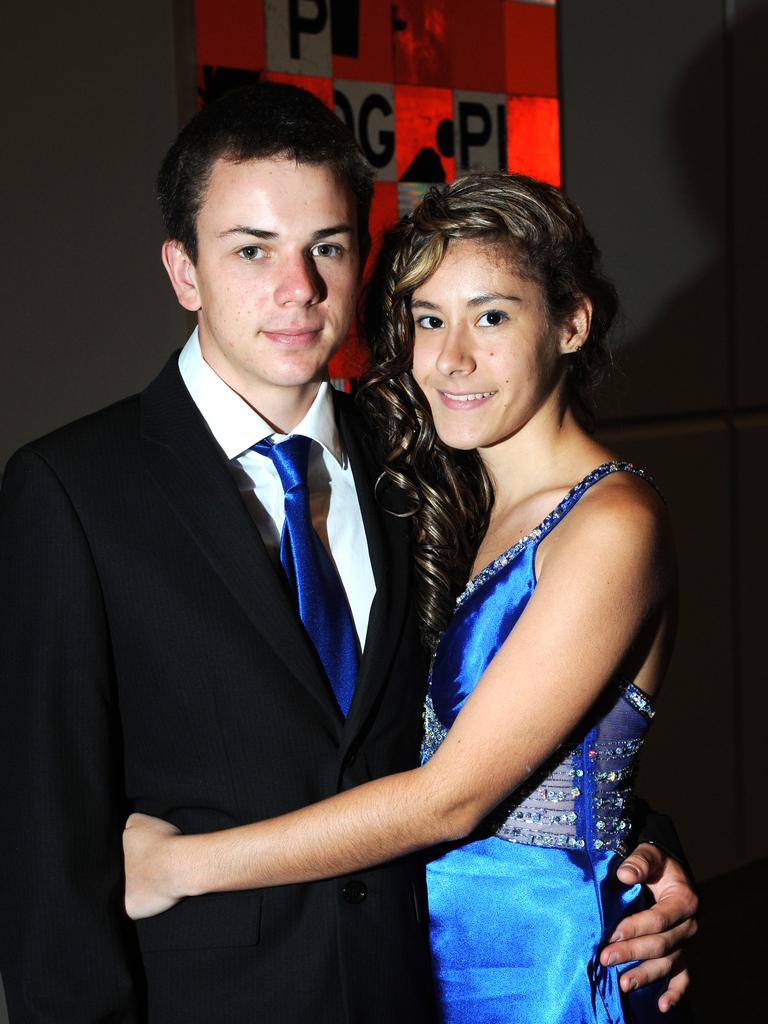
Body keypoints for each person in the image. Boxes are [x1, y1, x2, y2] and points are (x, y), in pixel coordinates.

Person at [0, 83, 693, 1023]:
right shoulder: (71, 493)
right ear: (184, 271)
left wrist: (637, 853)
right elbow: (47, 847)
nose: (299, 289)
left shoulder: (424, 459)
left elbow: (503, 740)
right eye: (252, 251)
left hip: (425, 986)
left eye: (326, 247)